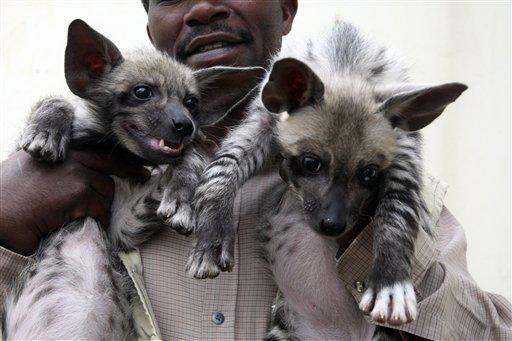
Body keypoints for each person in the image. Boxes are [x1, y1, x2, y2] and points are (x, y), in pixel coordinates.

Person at [0, 1, 510, 339]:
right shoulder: (67, 181)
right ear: (151, 26)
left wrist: (380, 241)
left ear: (285, 10)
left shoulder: (377, 177)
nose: (203, 7)